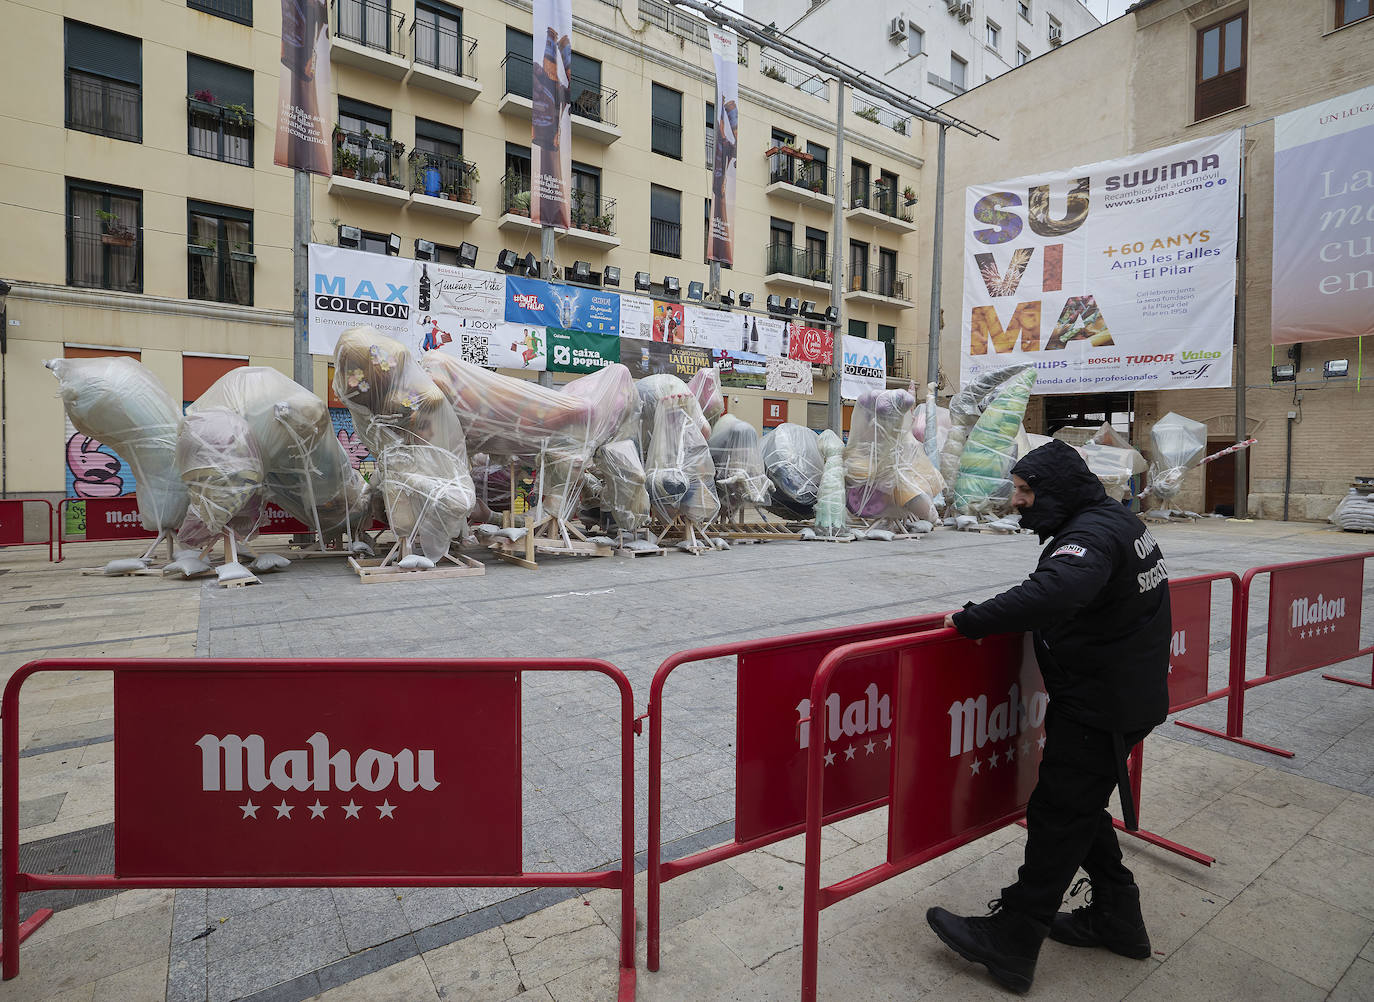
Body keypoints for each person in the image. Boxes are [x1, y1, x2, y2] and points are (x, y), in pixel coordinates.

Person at [926, 438, 1170, 994]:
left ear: (1055, 491)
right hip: (1121, 695)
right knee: (1077, 808)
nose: (1017, 502)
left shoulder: (1089, 537)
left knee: (1058, 813)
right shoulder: (1116, 522)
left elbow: (1055, 591)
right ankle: (1117, 916)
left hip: (1101, 703)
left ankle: (1013, 936)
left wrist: (971, 620)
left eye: (1025, 491)